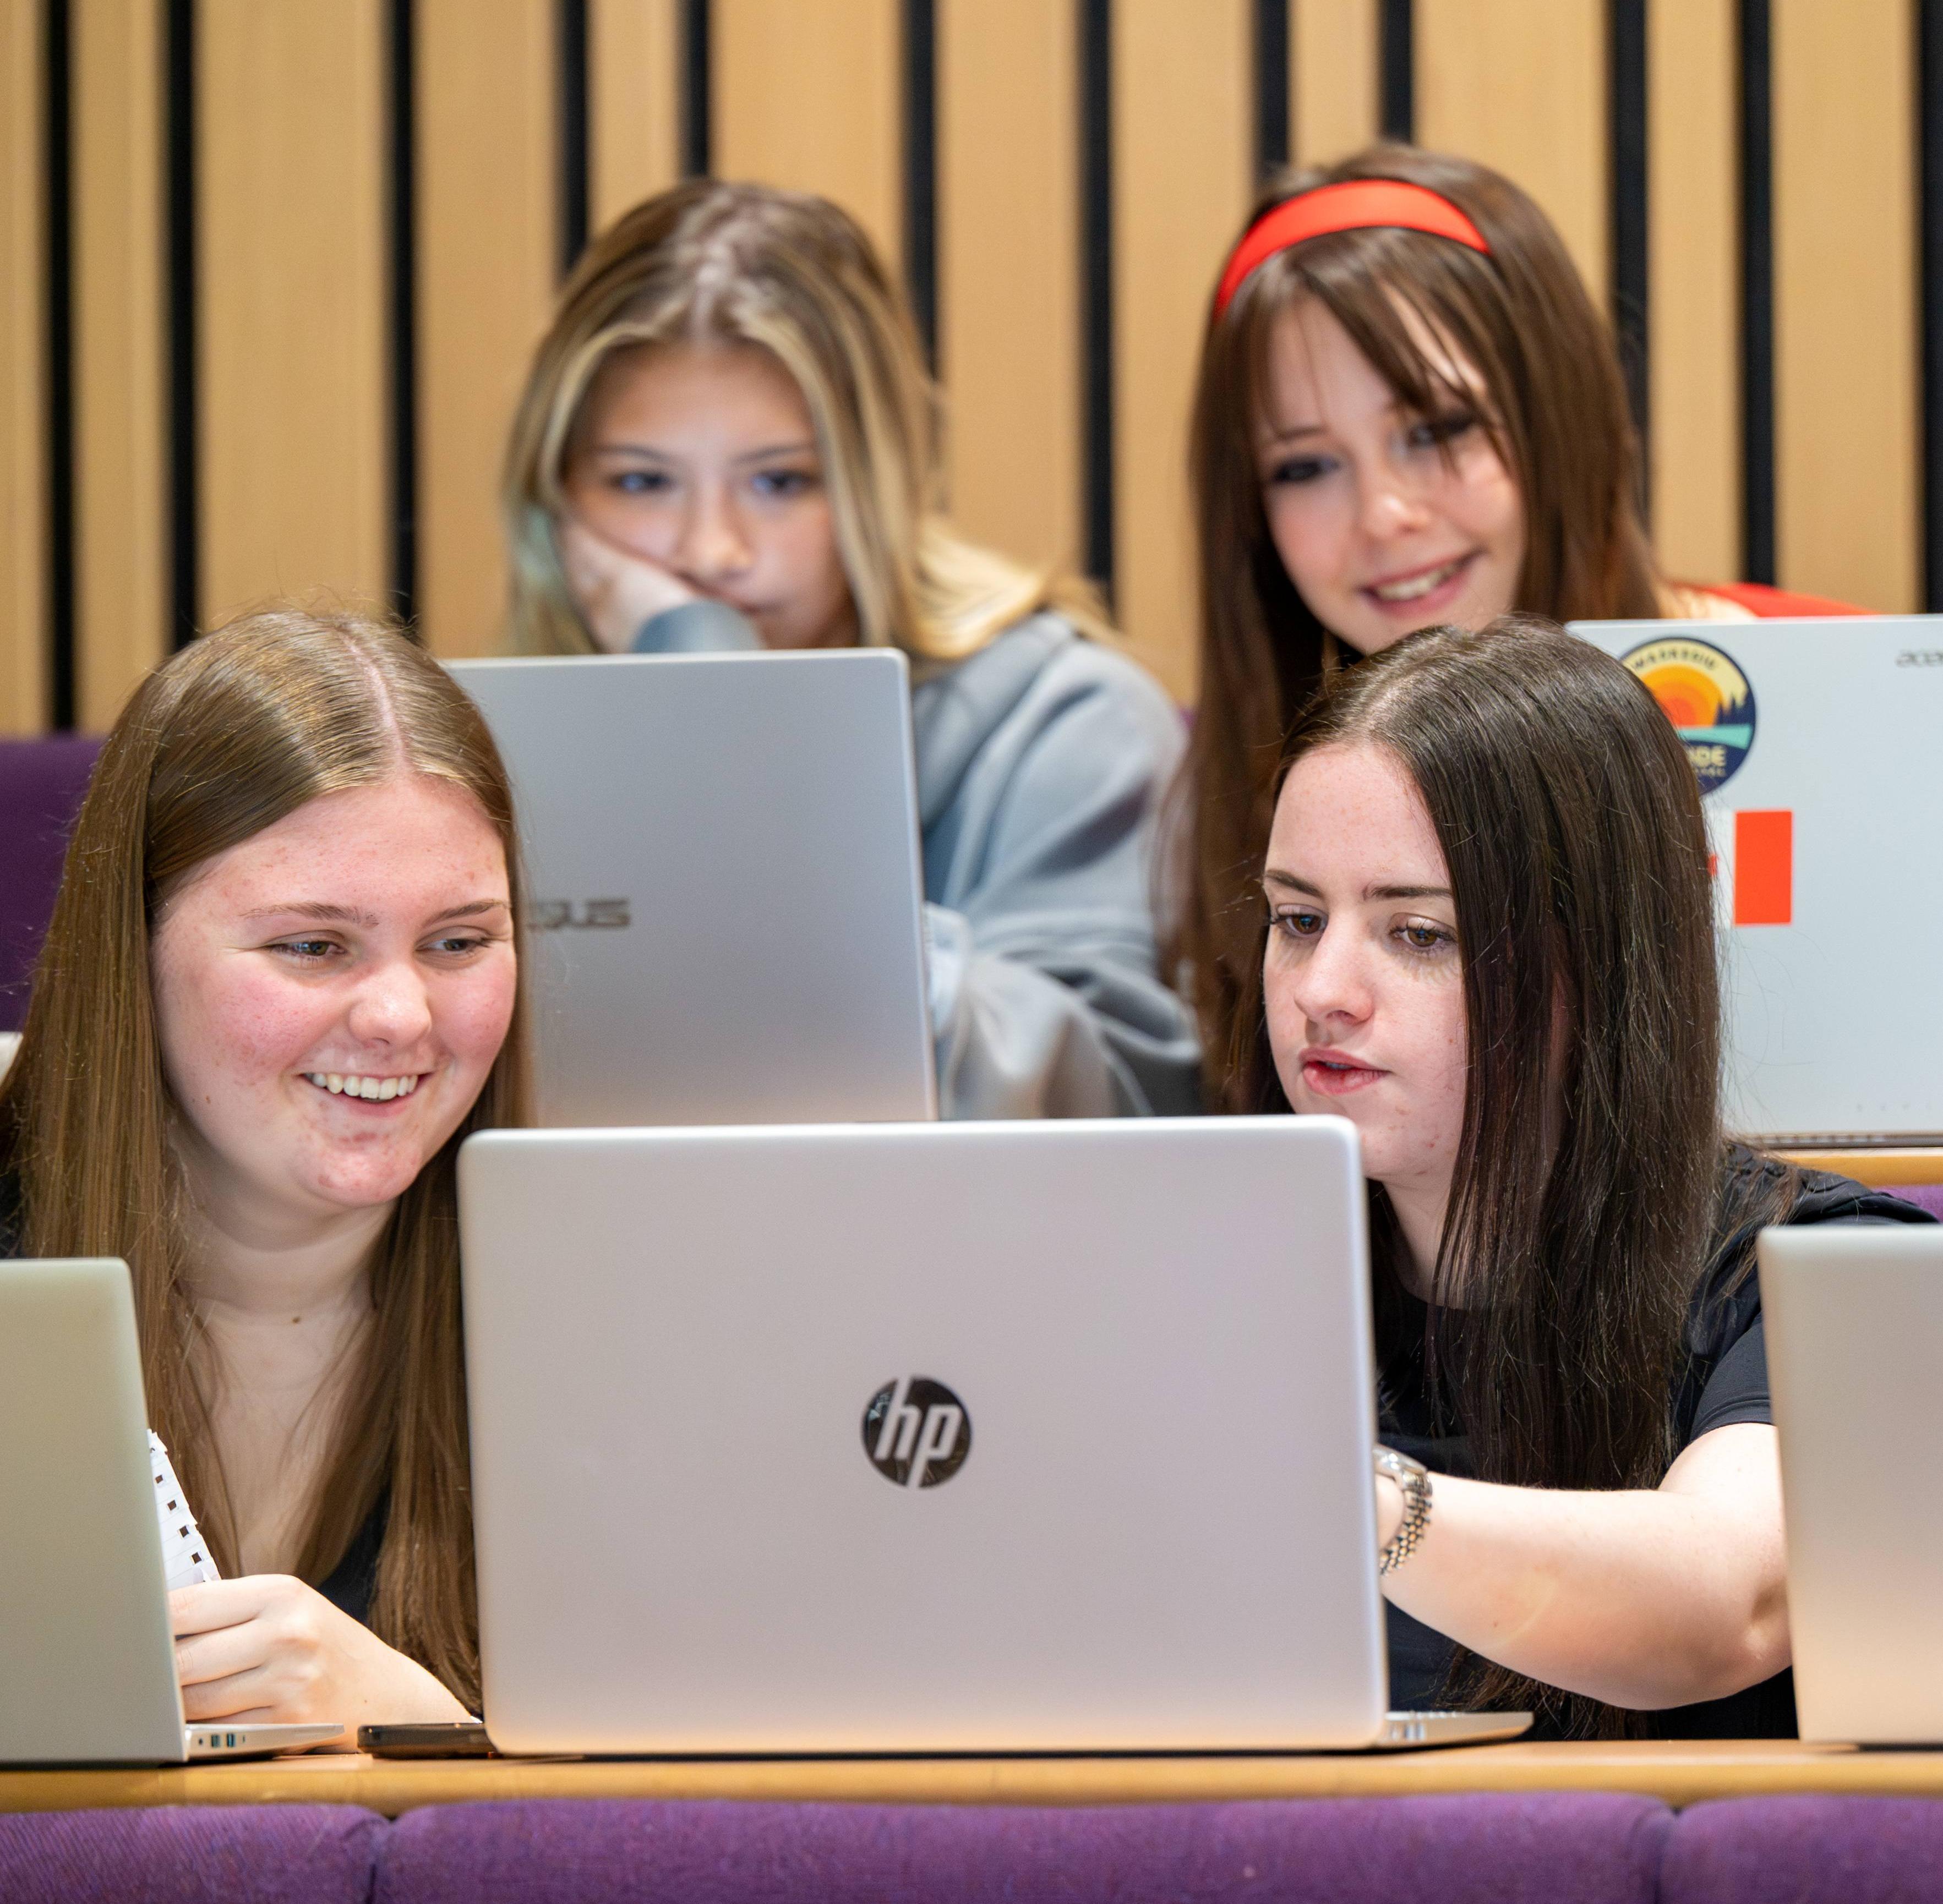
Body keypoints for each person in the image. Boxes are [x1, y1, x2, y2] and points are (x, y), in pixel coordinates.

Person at [1236, 615, 1931, 1739]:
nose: (1321, 987)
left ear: (1599, 968)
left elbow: (1725, 1606)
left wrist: (1334, 1494)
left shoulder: (1819, 1273)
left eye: (1417, 933)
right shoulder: (1201, 1268)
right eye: (1296, 917)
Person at [1176, 145, 1864, 1104]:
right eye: (1305, 468)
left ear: (1558, 415)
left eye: (1438, 429)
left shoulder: (1862, 694)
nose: (1384, 516)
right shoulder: (1226, 783)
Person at [501, 179, 1199, 1119]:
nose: (712, 550)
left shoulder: (1069, 717)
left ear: (877, 489)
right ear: (560, 507)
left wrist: (716, 705)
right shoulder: (492, 741)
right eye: (641, 481)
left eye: (780, 481)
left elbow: (1116, 1096)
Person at [0, 606, 528, 1735]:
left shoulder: (615, 1303)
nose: (401, 1015)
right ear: (130, 949)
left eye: (459, 940)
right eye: (311, 945)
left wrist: (419, 1726)